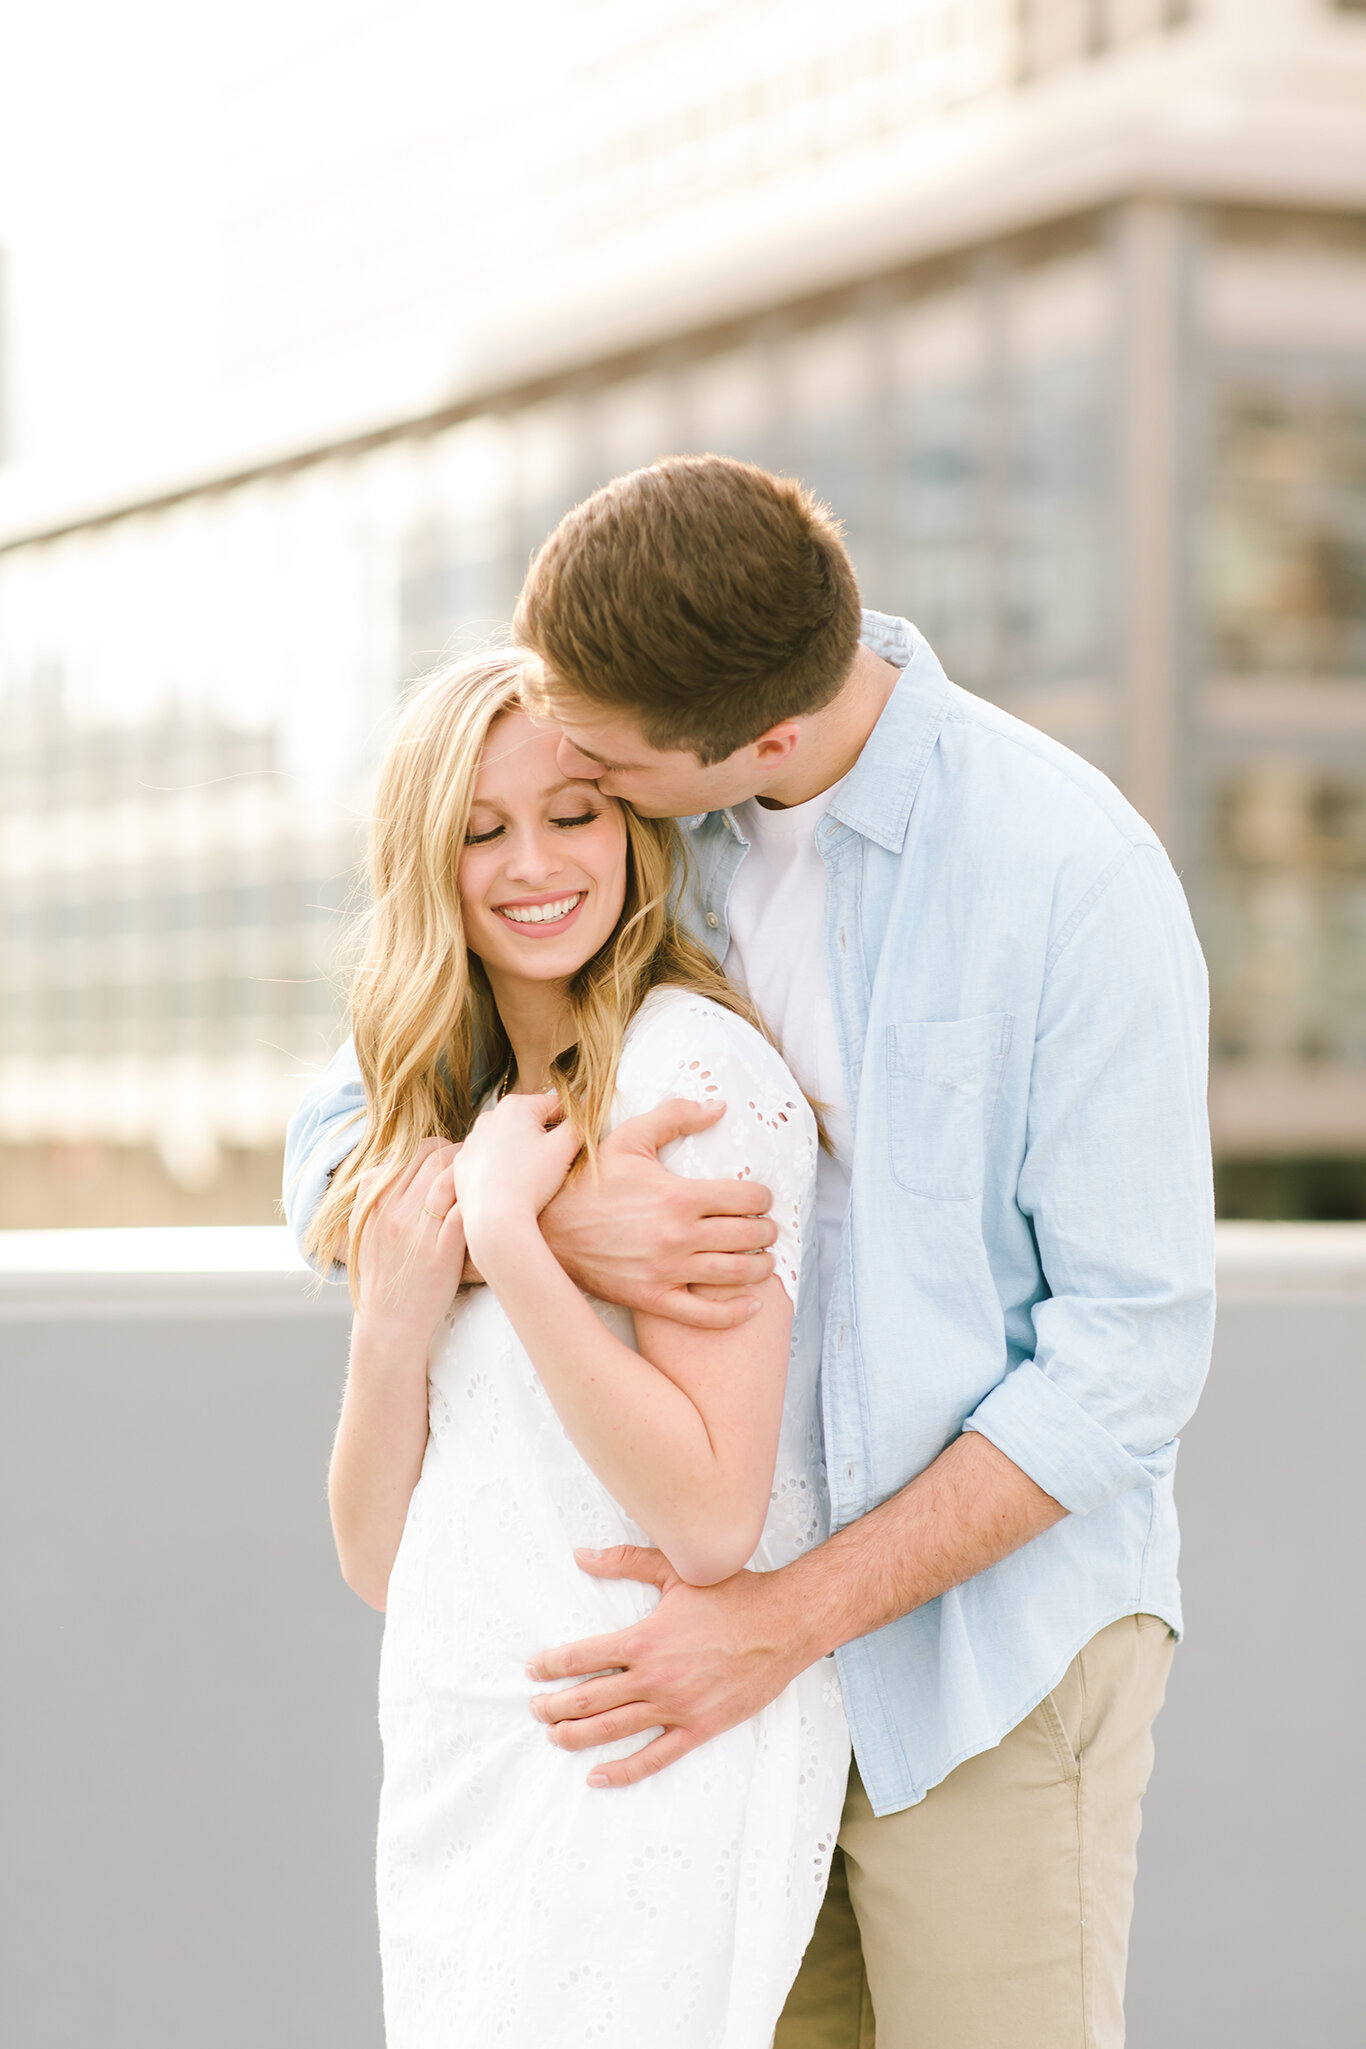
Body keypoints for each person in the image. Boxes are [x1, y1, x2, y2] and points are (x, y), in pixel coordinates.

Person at [286, 458, 1215, 2049]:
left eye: (600, 765)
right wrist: (551, 1213)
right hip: (715, 1678)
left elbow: (1127, 1361)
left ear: (755, 744)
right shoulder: (658, 831)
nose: (566, 776)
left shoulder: (1069, 876)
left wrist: (786, 1612)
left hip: (973, 1650)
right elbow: (346, 1128)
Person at [306, 647, 850, 2049]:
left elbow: (714, 1514)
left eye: (571, 812)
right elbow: (381, 1559)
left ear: (633, 826)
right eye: (480, 830)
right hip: (464, 1751)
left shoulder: (693, 1075)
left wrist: (516, 1233)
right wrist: (402, 1302)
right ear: (428, 863)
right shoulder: (437, 1120)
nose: (533, 863)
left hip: (639, 1736)